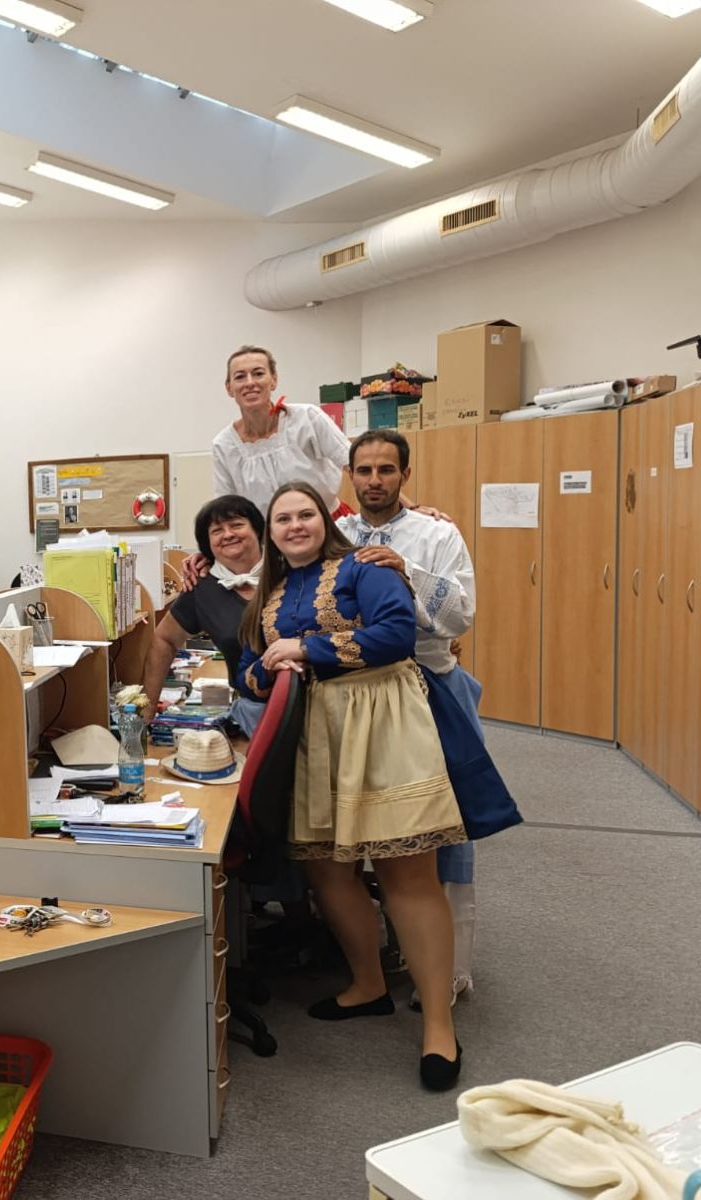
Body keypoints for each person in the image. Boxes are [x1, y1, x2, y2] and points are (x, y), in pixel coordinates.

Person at [236, 481, 467, 1091]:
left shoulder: (364, 566)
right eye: (282, 519)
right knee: (327, 870)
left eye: (305, 514)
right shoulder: (271, 592)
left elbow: (395, 635)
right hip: (316, 734)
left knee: (406, 873)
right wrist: (267, 668)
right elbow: (246, 666)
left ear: (325, 520)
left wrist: (304, 648)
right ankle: (368, 984)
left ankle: (438, 1025)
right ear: (271, 534)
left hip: (383, 719)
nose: (295, 526)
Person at [338, 430, 523, 1005]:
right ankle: (383, 951)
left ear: (405, 475)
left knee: (443, 831)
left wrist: (407, 570)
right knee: (369, 826)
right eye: (364, 470)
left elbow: (460, 614)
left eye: (385, 470)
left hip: (429, 691)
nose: (374, 480)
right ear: (350, 475)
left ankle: (447, 974)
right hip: (356, 695)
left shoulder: (436, 534)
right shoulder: (337, 535)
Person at [141, 495, 267, 736]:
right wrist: (147, 714)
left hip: (309, 701)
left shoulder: (288, 570)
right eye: (217, 530)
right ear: (207, 543)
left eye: (237, 525)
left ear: (258, 530)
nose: (228, 534)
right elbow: (164, 639)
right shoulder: (202, 587)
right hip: (254, 713)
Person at [213, 345, 352, 516]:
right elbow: (226, 507)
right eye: (240, 377)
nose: (250, 383)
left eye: (258, 373)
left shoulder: (308, 417)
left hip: (330, 524)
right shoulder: (224, 445)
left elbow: (353, 463)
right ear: (229, 387)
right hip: (269, 532)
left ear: (274, 380)